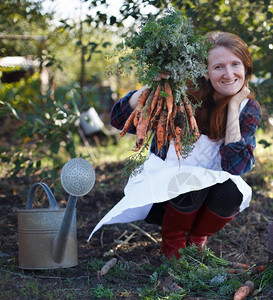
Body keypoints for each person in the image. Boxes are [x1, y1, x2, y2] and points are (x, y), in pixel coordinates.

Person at [88, 31, 261, 259]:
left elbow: (236, 167)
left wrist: (233, 106)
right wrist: (152, 87)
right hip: (164, 198)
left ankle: (196, 241)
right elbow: (119, 121)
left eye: (235, 64)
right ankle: (173, 248)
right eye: (219, 67)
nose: (229, 74)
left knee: (232, 192)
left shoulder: (247, 108)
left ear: (245, 68)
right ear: (205, 73)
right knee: (191, 182)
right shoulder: (181, 97)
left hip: (205, 203)